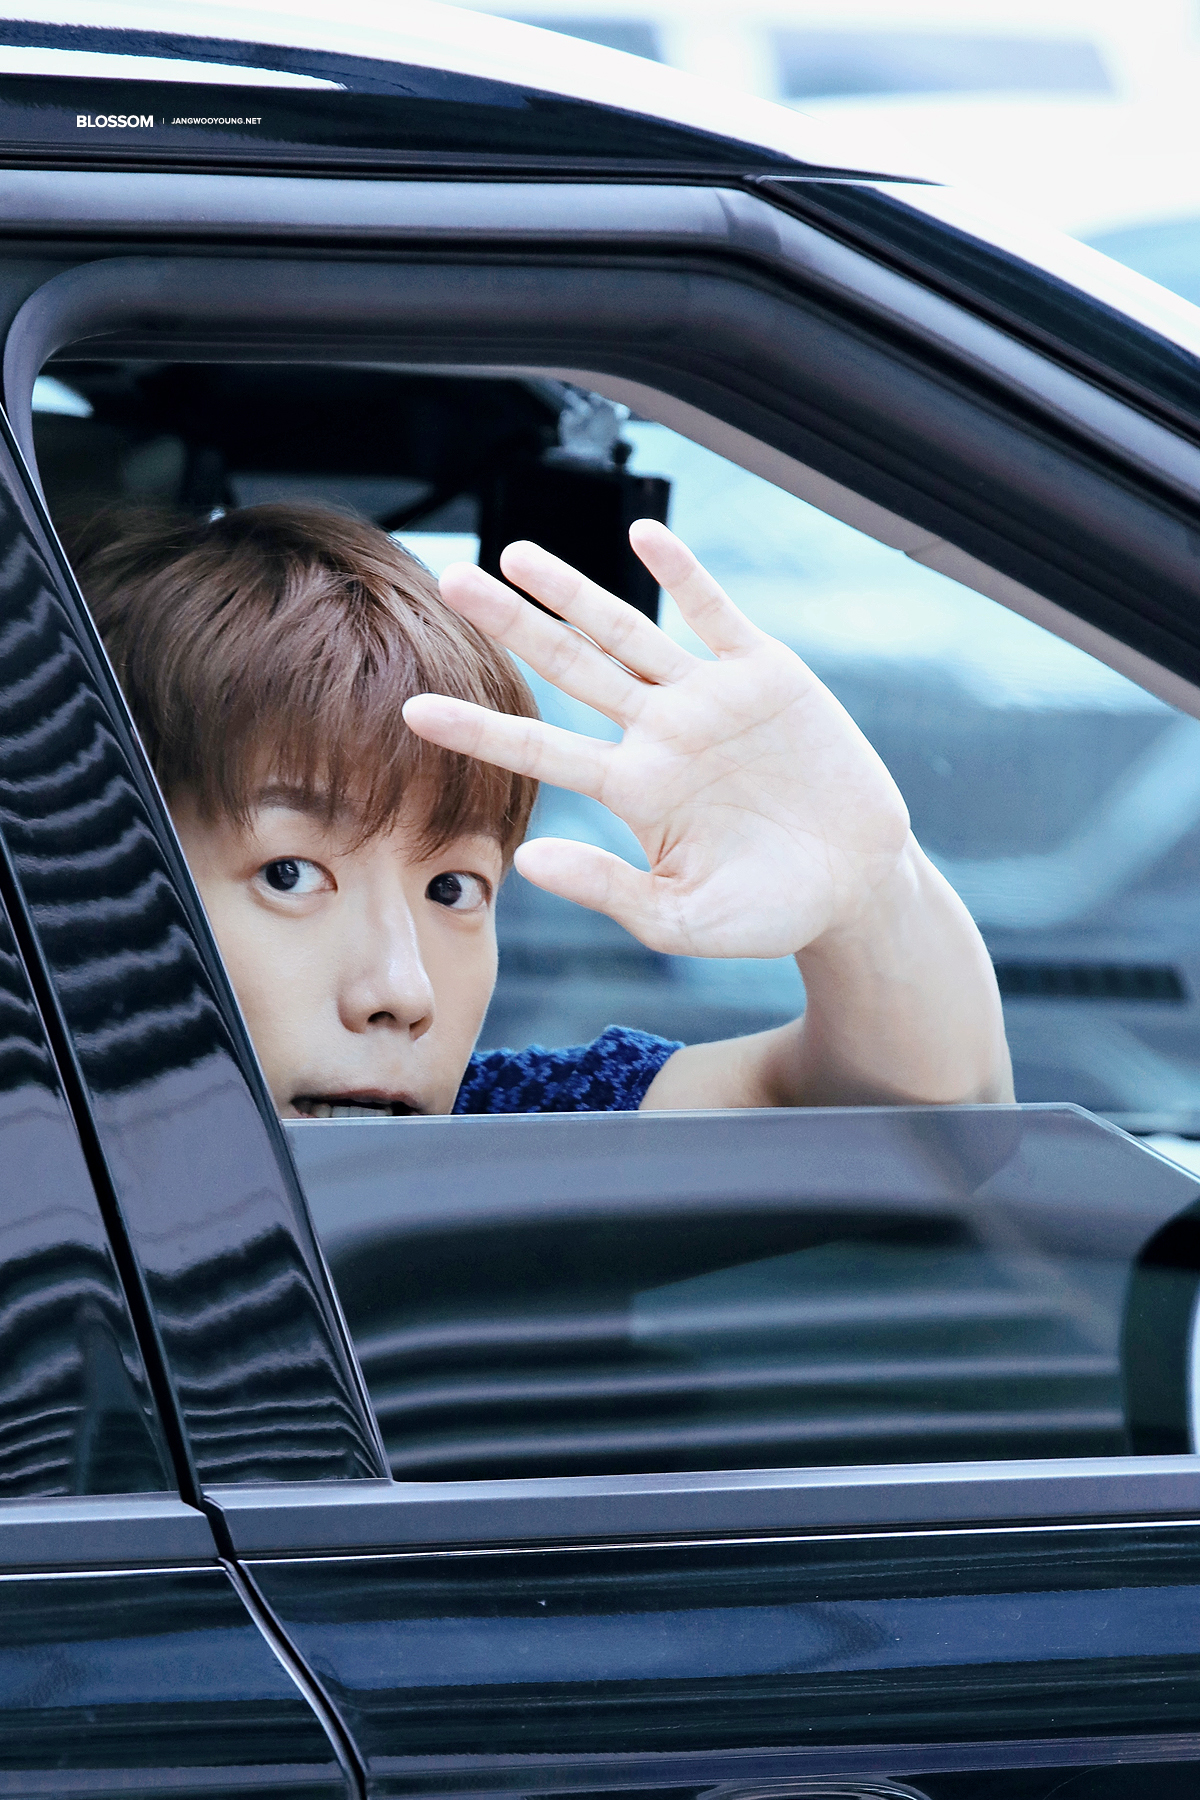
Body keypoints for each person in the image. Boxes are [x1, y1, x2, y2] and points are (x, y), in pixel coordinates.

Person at [70, 502, 1013, 1119]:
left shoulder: (496, 1135)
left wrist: (871, 895)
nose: (403, 991)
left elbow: (921, 1126)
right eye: (290, 875)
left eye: (453, 888)